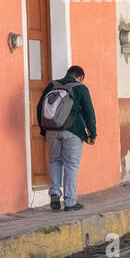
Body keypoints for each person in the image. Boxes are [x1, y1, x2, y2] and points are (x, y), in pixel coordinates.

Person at [36, 65, 96, 211]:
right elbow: (89, 112)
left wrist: (44, 131)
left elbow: (39, 108)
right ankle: (70, 201)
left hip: (51, 130)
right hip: (72, 131)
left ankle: (55, 193)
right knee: (71, 165)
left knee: (55, 160)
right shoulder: (81, 88)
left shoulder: (52, 85)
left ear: (68, 73)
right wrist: (92, 134)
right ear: (80, 77)